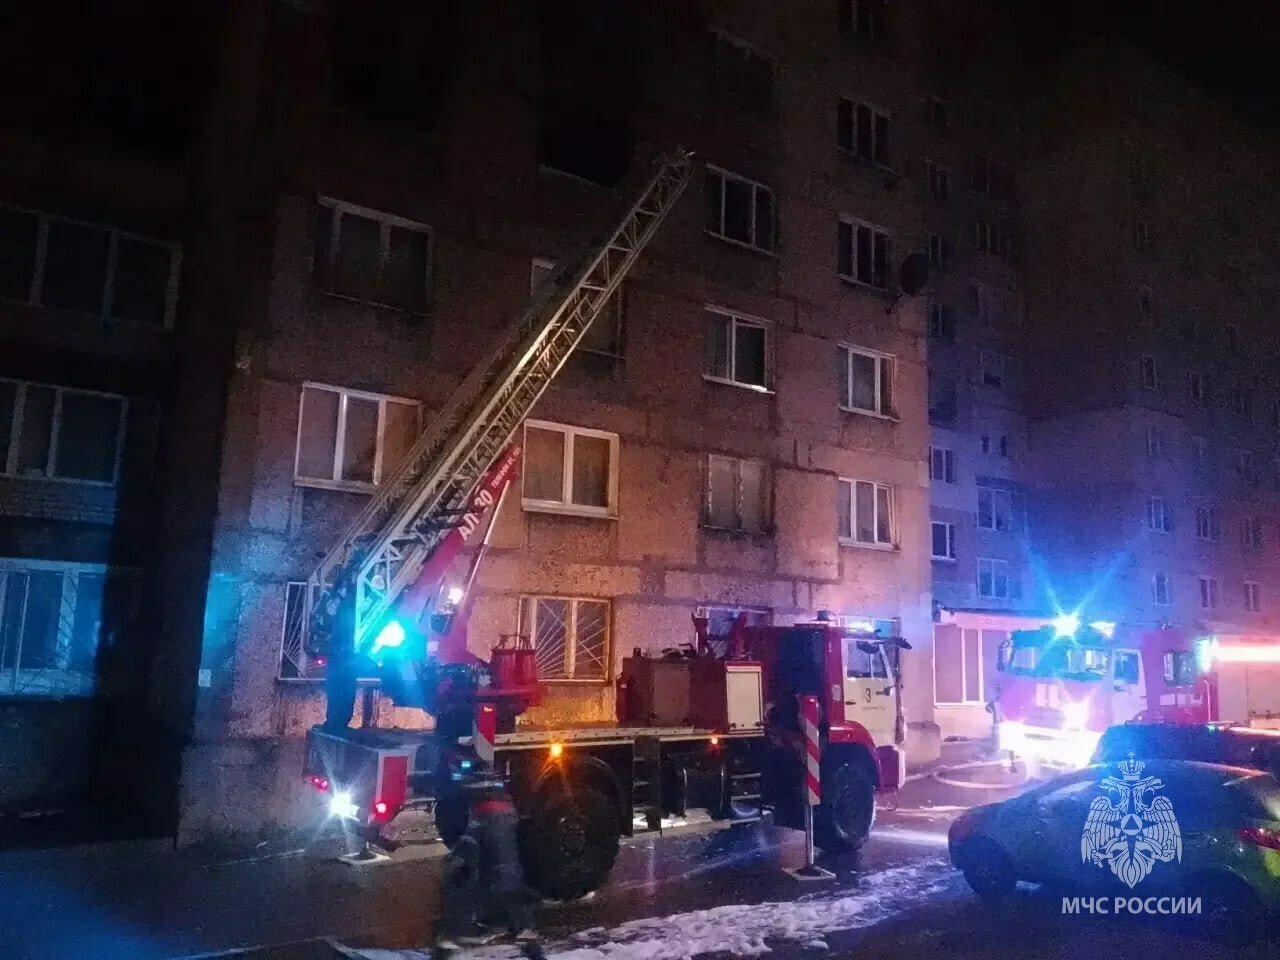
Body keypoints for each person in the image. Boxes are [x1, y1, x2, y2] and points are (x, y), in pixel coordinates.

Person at [435, 780, 542, 958]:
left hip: (488, 892)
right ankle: (531, 944)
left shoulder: (477, 826)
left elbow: (464, 858)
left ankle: (449, 942)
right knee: (523, 926)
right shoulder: (509, 819)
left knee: (453, 930)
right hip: (512, 885)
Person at [323, 572, 359, 732]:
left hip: (343, 655)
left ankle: (338, 723)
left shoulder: (347, 602)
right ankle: (335, 723)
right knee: (341, 691)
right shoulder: (344, 602)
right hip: (342, 654)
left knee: (343, 691)